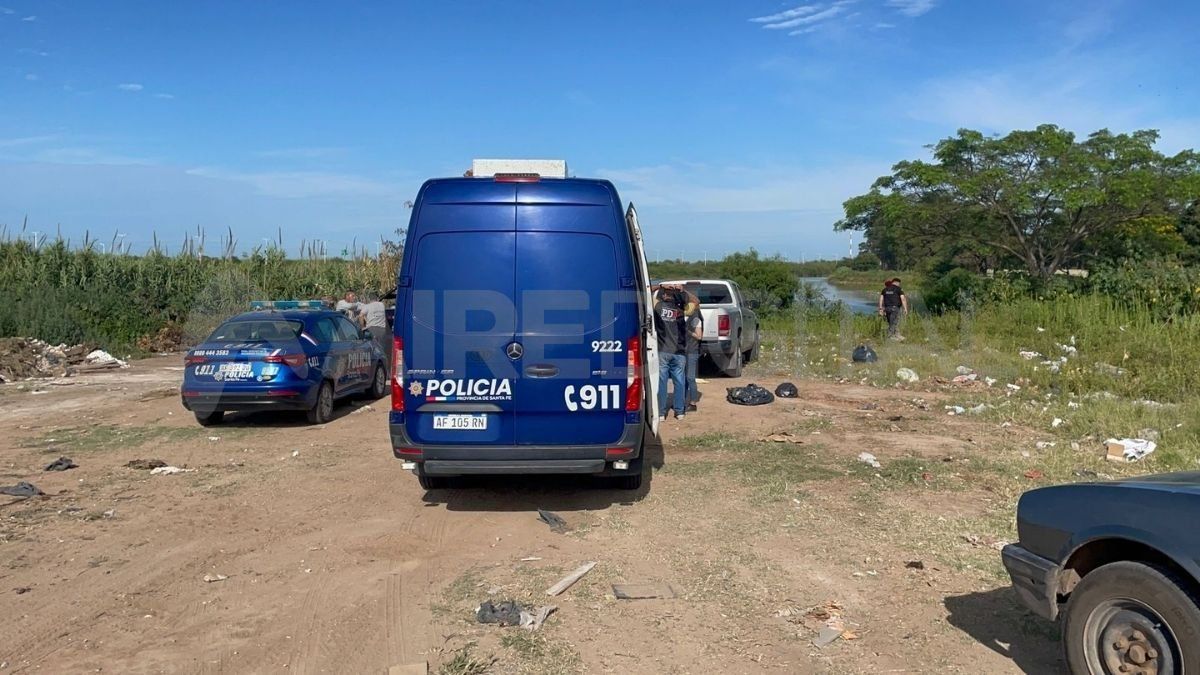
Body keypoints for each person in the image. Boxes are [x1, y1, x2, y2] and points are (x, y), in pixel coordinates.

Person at [654, 287, 688, 420]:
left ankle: (661, 413)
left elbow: (646, 291)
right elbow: (695, 301)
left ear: (663, 296)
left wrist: (661, 286)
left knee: (662, 383)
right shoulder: (680, 310)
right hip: (679, 352)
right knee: (679, 382)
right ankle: (679, 412)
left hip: (663, 351)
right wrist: (682, 289)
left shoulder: (658, 307)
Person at [682, 290, 703, 412]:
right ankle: (683, 401)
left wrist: (688, 331)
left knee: (690, 377)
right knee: (682, 378)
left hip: (692, 351)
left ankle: (693, 402)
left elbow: (699, 336)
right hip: (683, 350)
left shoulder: (696, 319)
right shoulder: (684, 317)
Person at [360, 294, 391, 368]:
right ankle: (384, 366)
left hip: (371, 329)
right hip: (381, 329)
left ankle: (371, 366)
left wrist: (362, 327)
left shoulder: (367, 306)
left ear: (369, 299)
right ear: (377, 298)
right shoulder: (382, 305)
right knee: (381, 348)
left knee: (370, 348)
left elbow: (361, 315)